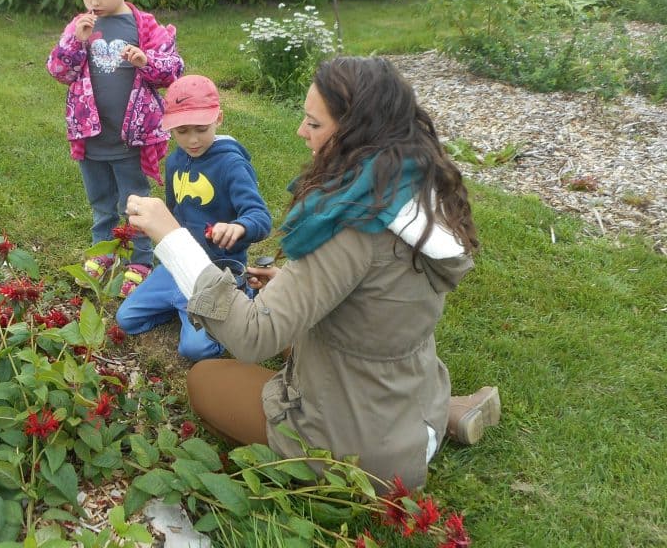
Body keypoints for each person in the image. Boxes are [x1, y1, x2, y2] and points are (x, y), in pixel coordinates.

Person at [124, 56, 500, 491]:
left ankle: (343, 456)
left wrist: (171, 237)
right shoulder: (407, 191)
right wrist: (291, 282)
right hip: (416, 402)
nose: (302, 132)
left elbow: (252, 337)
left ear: (356, 132)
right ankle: (447, 415)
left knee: (204, 379)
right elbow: (368, 291)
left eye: (314, 124)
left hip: (359, 451)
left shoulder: (351, 225)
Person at [46, 0, 184, 298]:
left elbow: (172, 71)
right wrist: (76, 41)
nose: (94, 1)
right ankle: (103, 249)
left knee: (134, 202)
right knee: (101, 201)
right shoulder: (80, 26)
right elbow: (60, 71)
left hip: (131, 138)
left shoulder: (144, 26)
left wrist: (146, 60)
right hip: (91, 136)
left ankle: (141, 259)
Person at [116, 75, 272, 361]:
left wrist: (239, 226)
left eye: (201, 129)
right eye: (182, 131)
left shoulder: (231, 165)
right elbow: (174, 213)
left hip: (217, 272)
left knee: (194, 350)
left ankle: (237, 301)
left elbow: (261, 217)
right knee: (126, 319)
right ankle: (184, 306)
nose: (192, 140)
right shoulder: (176, 161)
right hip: (177, 268)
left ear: (219, 118)